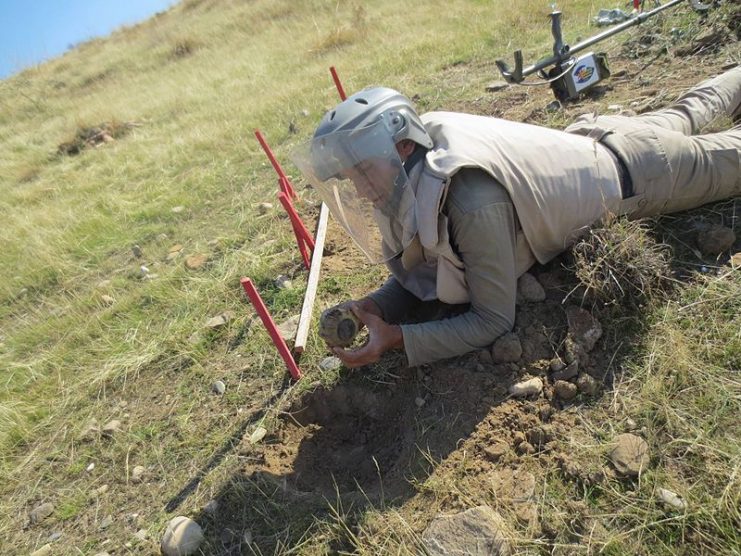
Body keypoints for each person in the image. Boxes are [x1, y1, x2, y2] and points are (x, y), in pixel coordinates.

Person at [291, 67, 741, 368]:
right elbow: (422, 263)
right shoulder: (407, 177)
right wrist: (380, 306)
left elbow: (492, 320)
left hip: (644, 172)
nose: (361, 189)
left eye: (364, 171)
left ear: (403, 147)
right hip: (601, 138)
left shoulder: (469, 200)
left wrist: (398, 339)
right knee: (693, 107)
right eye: (350, 178)